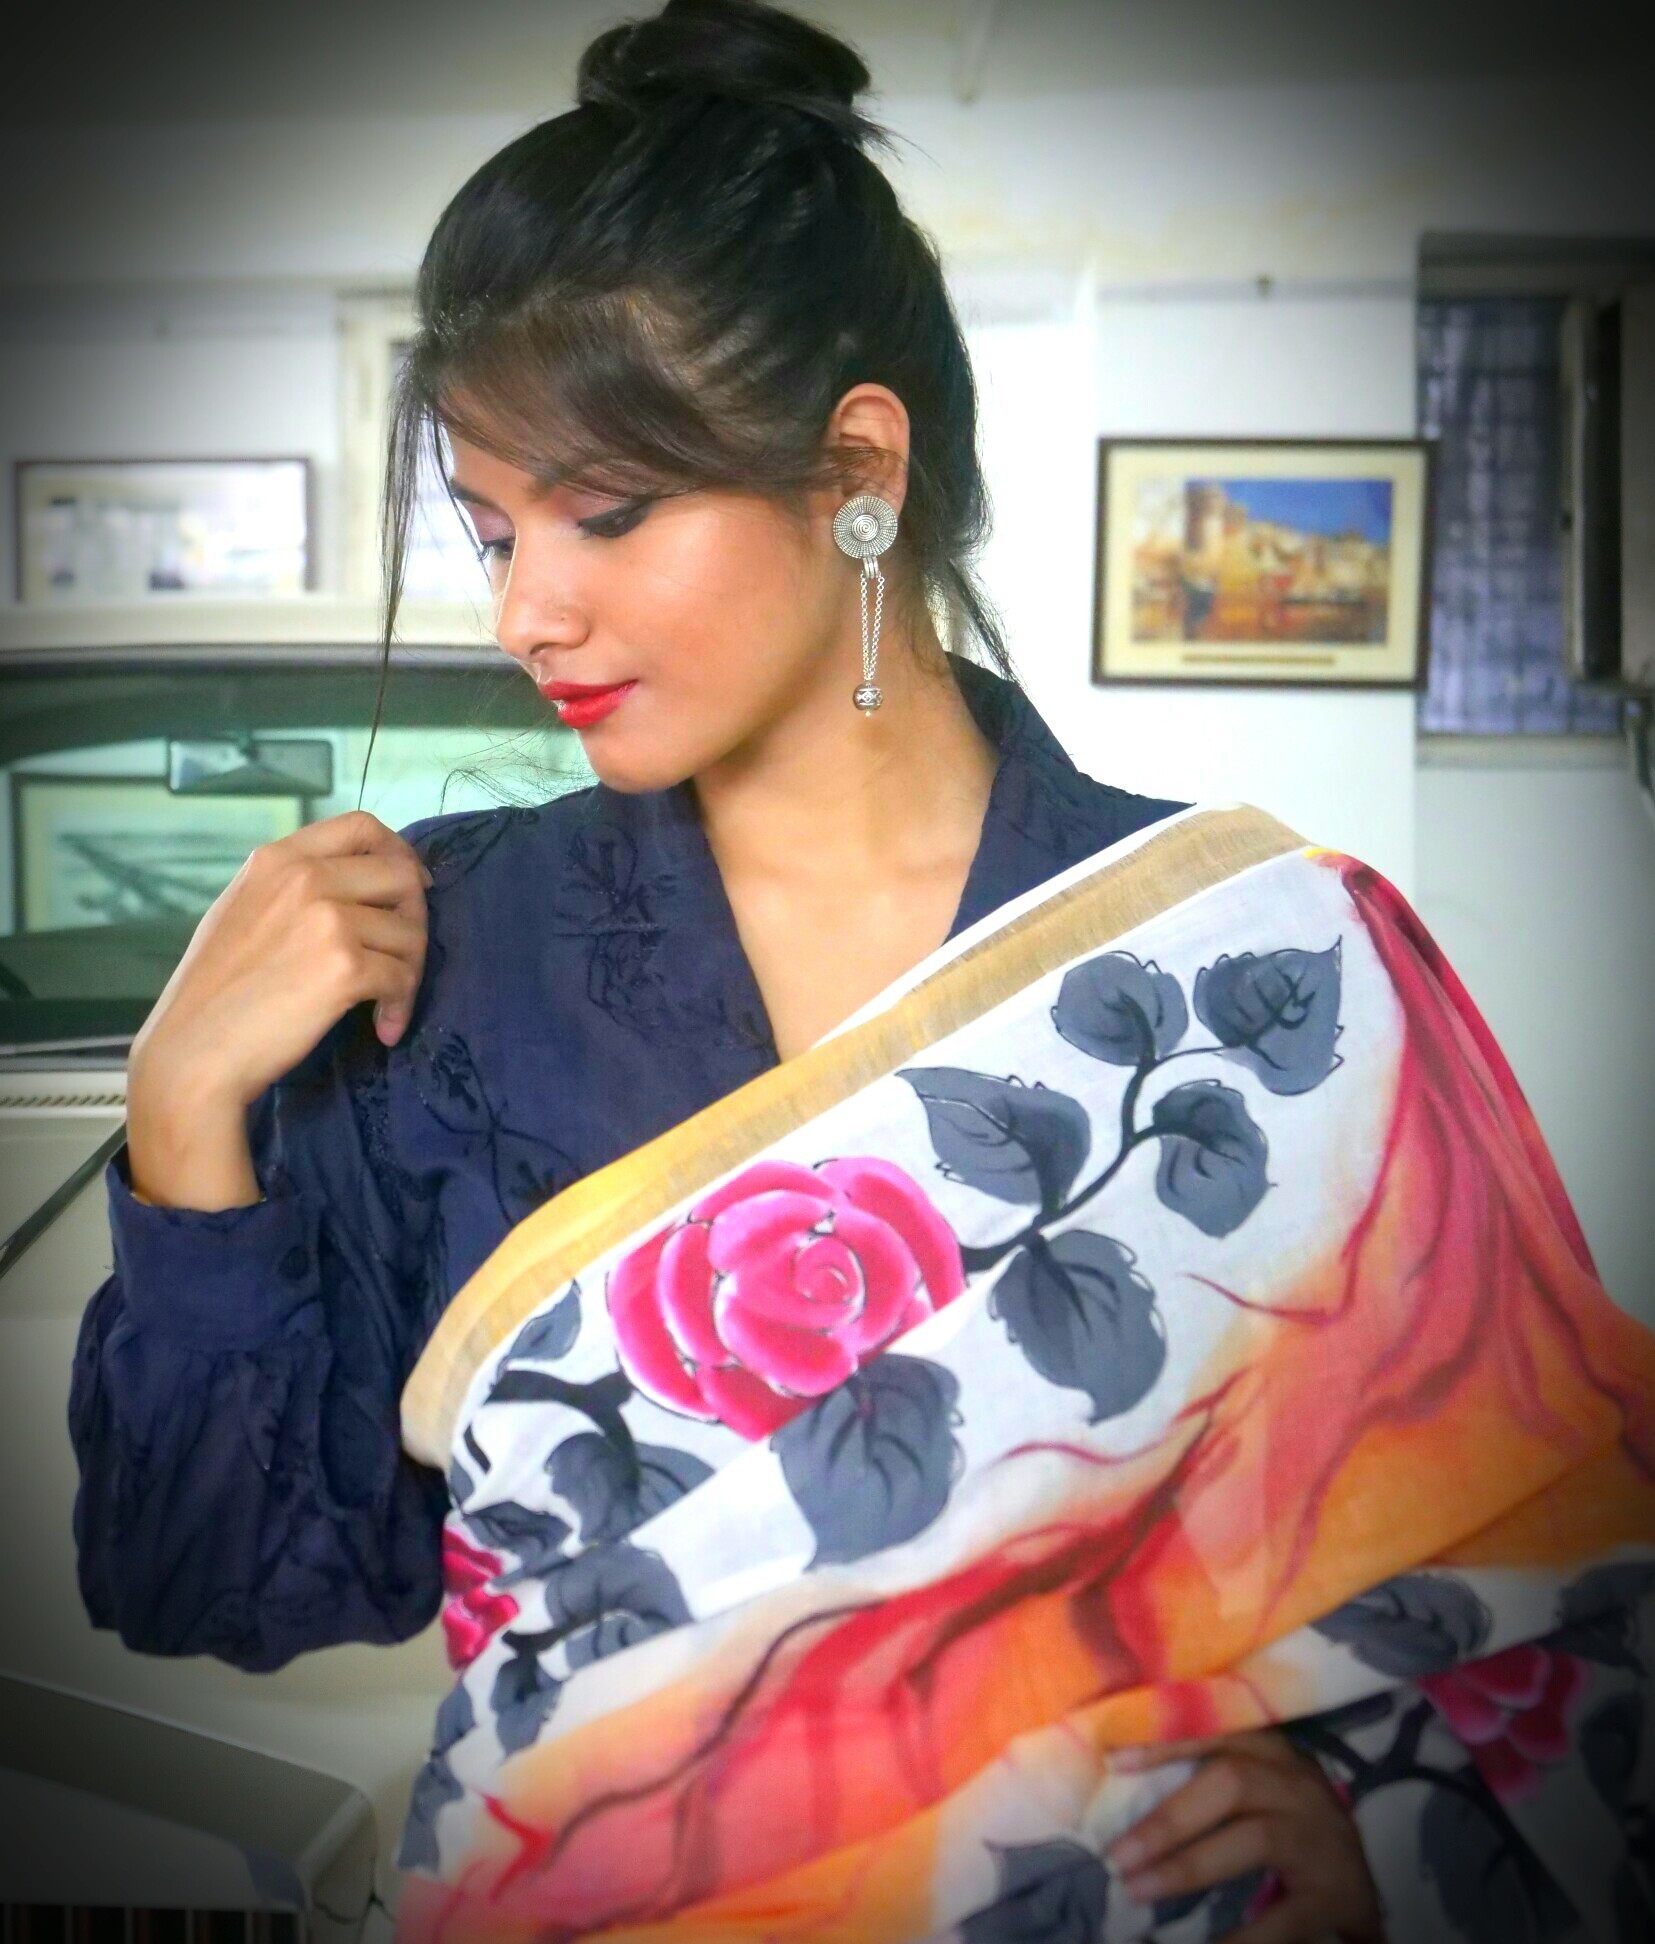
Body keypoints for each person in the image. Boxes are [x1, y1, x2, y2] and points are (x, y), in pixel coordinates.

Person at [70, 5, 1654, 1942]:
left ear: (857, 467)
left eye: (606, 512)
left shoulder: (1249, 961)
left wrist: (1376, 1815)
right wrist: (184, 1107)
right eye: (490, 532)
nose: (526, 610)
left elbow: (1522, 1543)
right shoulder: (451, 963)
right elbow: (220, 1583)